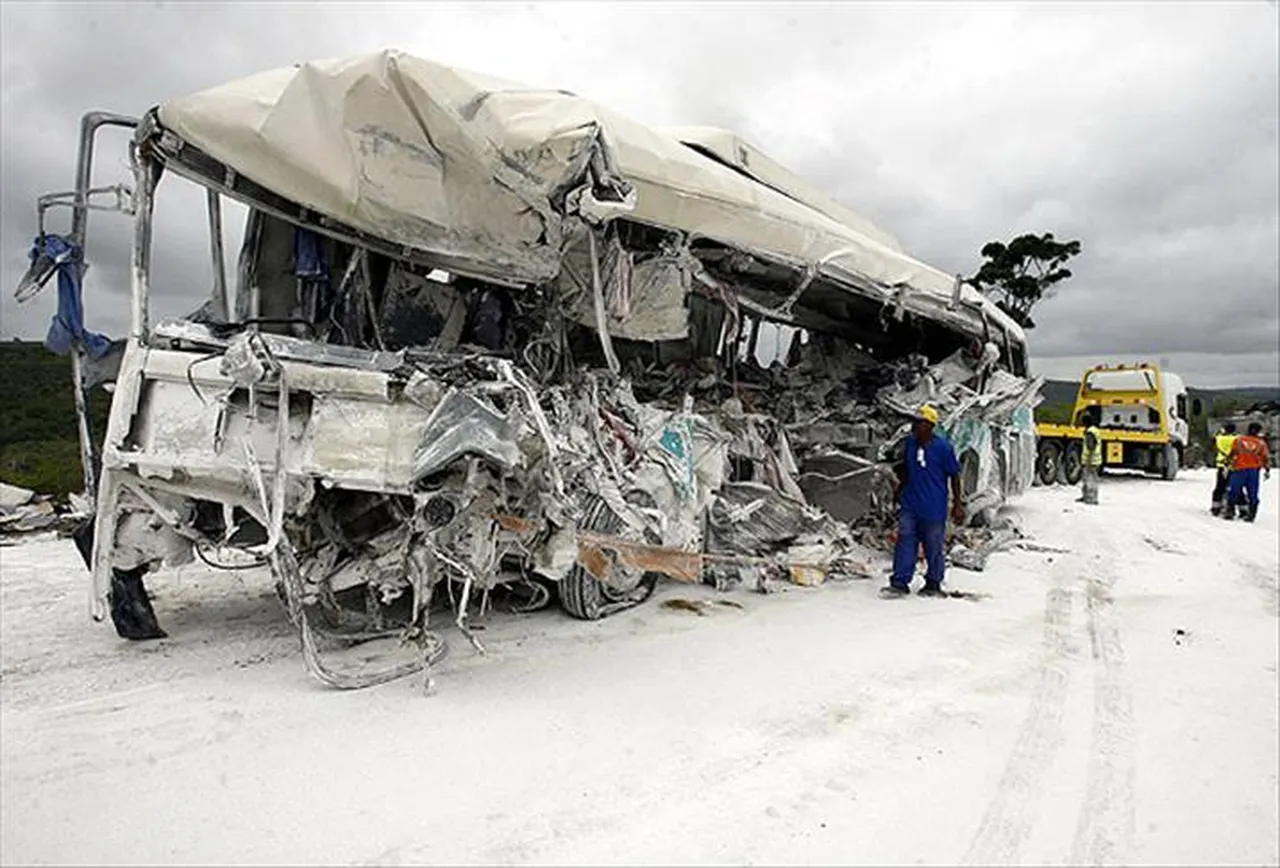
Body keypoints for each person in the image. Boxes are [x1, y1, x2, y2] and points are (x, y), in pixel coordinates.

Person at [881, 404, 965, 599]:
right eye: (914, 422)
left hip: (934, 506)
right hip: (911, 504)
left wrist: (958, 504)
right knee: (905, 541)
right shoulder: (910, 444)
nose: (914, 426)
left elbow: (955, 475)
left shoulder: (943, 448)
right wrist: (899, 489)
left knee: (933, 545)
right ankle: (900, 582)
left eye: (919, 423)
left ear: (929, 425)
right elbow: (908, 470)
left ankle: (933, 582)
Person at [1224, 422, 1272, 522]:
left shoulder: (1239, 440)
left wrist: (1227, 465)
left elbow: (1232, 453)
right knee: (1253, 493)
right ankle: (1251, 515)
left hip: (1239, 469)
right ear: (1258, 431)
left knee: (1234, 490)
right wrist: (1267, 470)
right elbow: (1266, 458)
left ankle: (1230, 511)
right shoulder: (1261, 443)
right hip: (1253, 471)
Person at [1211, 422, 1238, 516]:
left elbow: (1214, 438)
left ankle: (1216, 507)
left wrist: (1220, 432)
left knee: (1220, 486)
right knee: (1233, 487)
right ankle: (1234, 507)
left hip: (1221, 465)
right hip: (1233, 466)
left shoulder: (1219, 438)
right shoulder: (1237, 439)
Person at [1079, 407, 1103, 505]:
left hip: (1091, 461)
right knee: (1087, 479)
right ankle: (1086, 497)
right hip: (1095, 460)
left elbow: (1091, 447)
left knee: (1090, 480)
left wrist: (1089, 460)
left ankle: (1092, 499)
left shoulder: (1090, 433)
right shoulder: (1095, 430)